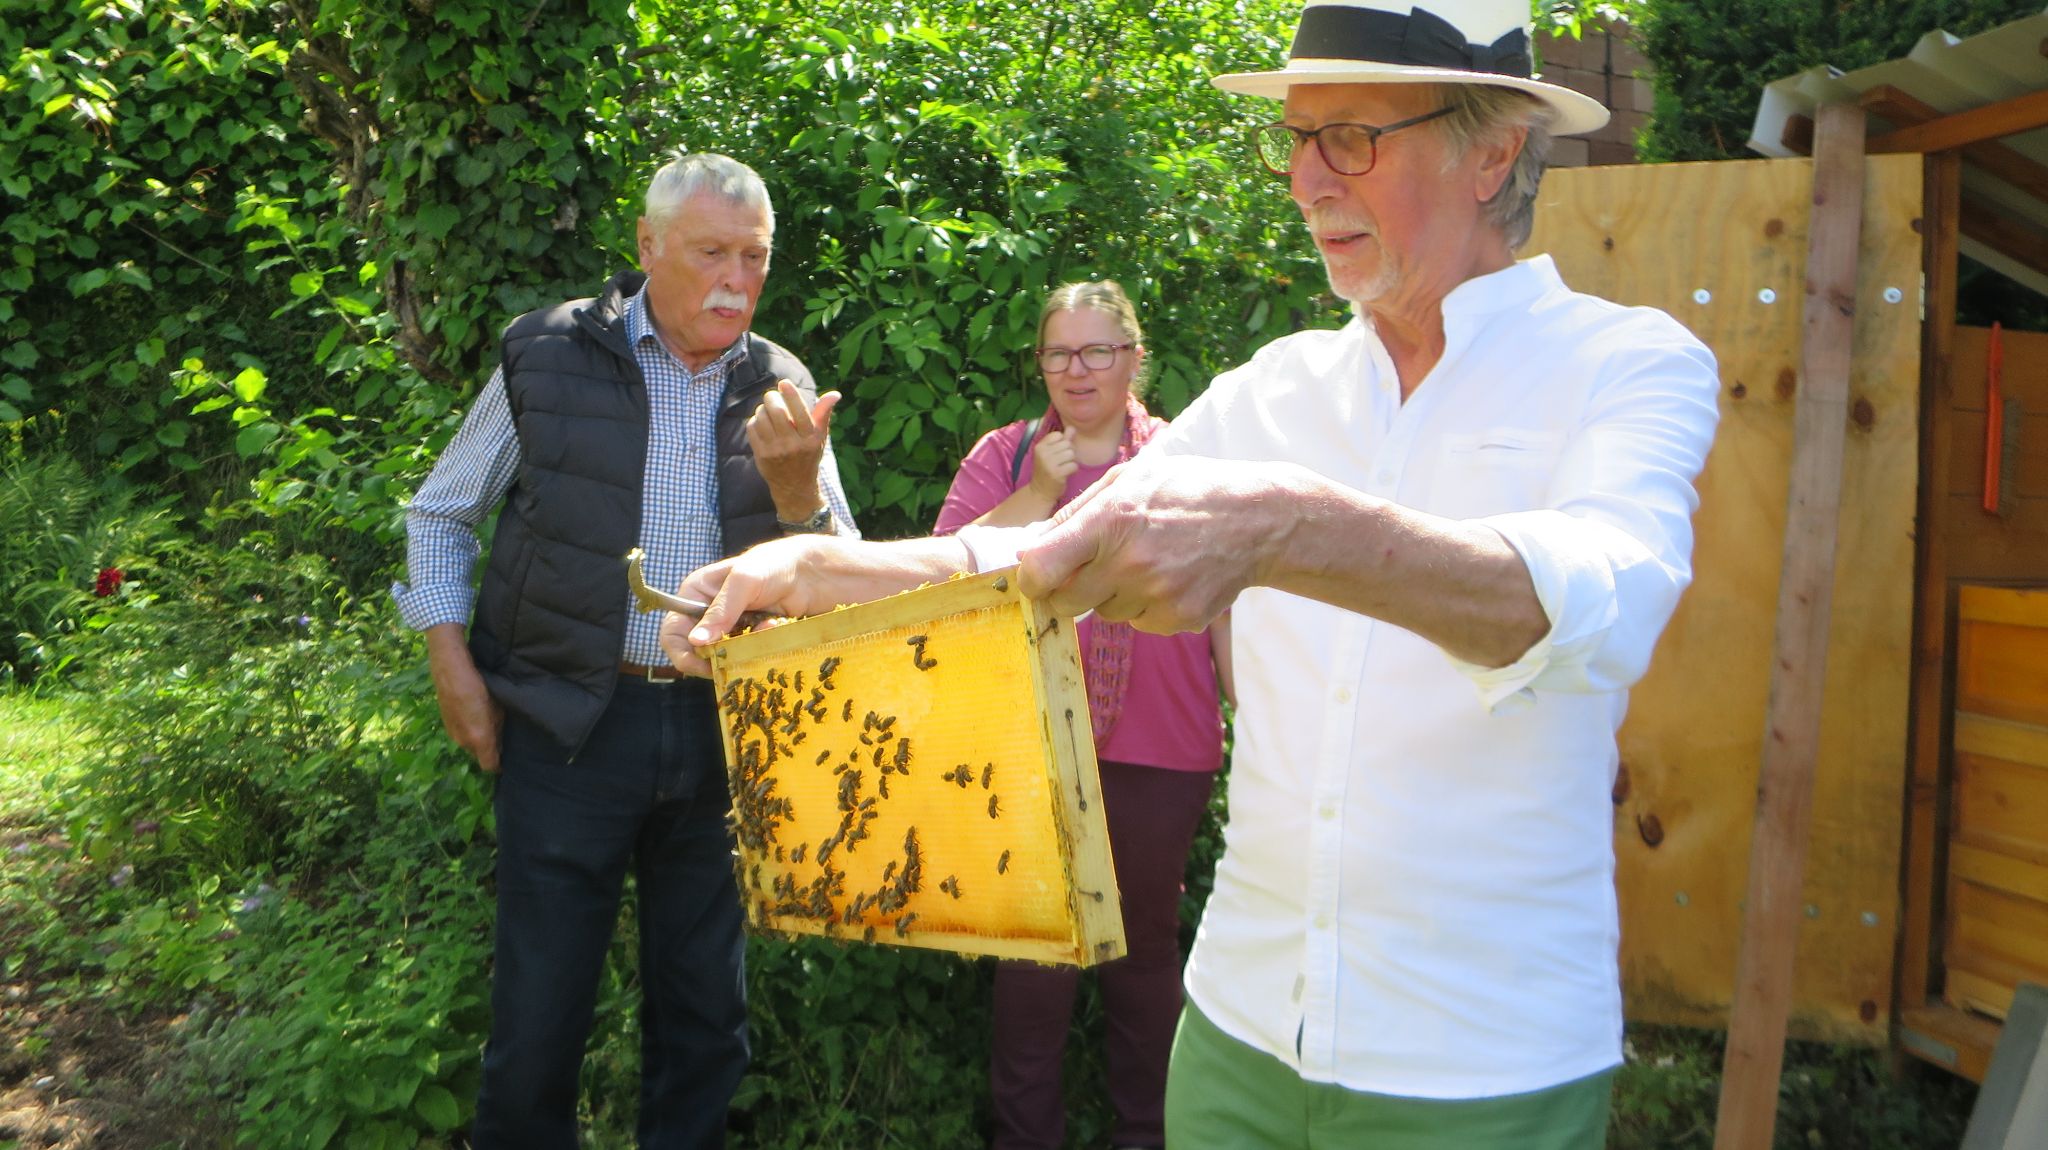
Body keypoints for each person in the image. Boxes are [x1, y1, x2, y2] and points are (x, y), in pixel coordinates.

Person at [661, 0, 1720, 1144]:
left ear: (1492, 149)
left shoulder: (1628, 364)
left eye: (1349, 138)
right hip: (1234, 1034)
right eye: (1295, 138)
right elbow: (1051, 544)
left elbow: (1604, 604)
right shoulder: (1277, 386)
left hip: (1481, 1067)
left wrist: (1287, 526)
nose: (1306, 180)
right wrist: (824, 566)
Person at [393, 151, 858, 1150]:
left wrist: (796, 494)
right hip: (566, 726)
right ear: (646, 247)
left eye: (755, 256)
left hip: (720, 735)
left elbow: (845, 580)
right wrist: (449, 659)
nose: (736, 280)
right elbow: (439, 515)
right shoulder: (546, 355)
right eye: (710, 253)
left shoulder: (782, 387)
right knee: (536, 1022)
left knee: (706, 1026)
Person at [934, 280, 1229, 1150]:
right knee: (1037, 956)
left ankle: (1148, 1134)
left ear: (1135, 358)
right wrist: (1032, 498)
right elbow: (947, 580)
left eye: (1098, 350)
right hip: (1034, 744)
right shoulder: (1008, 454)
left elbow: (1232, 603)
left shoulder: (1185, 462)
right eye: (1060, 353)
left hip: (1164, 742)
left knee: (1142, 953)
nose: (1078, 370)